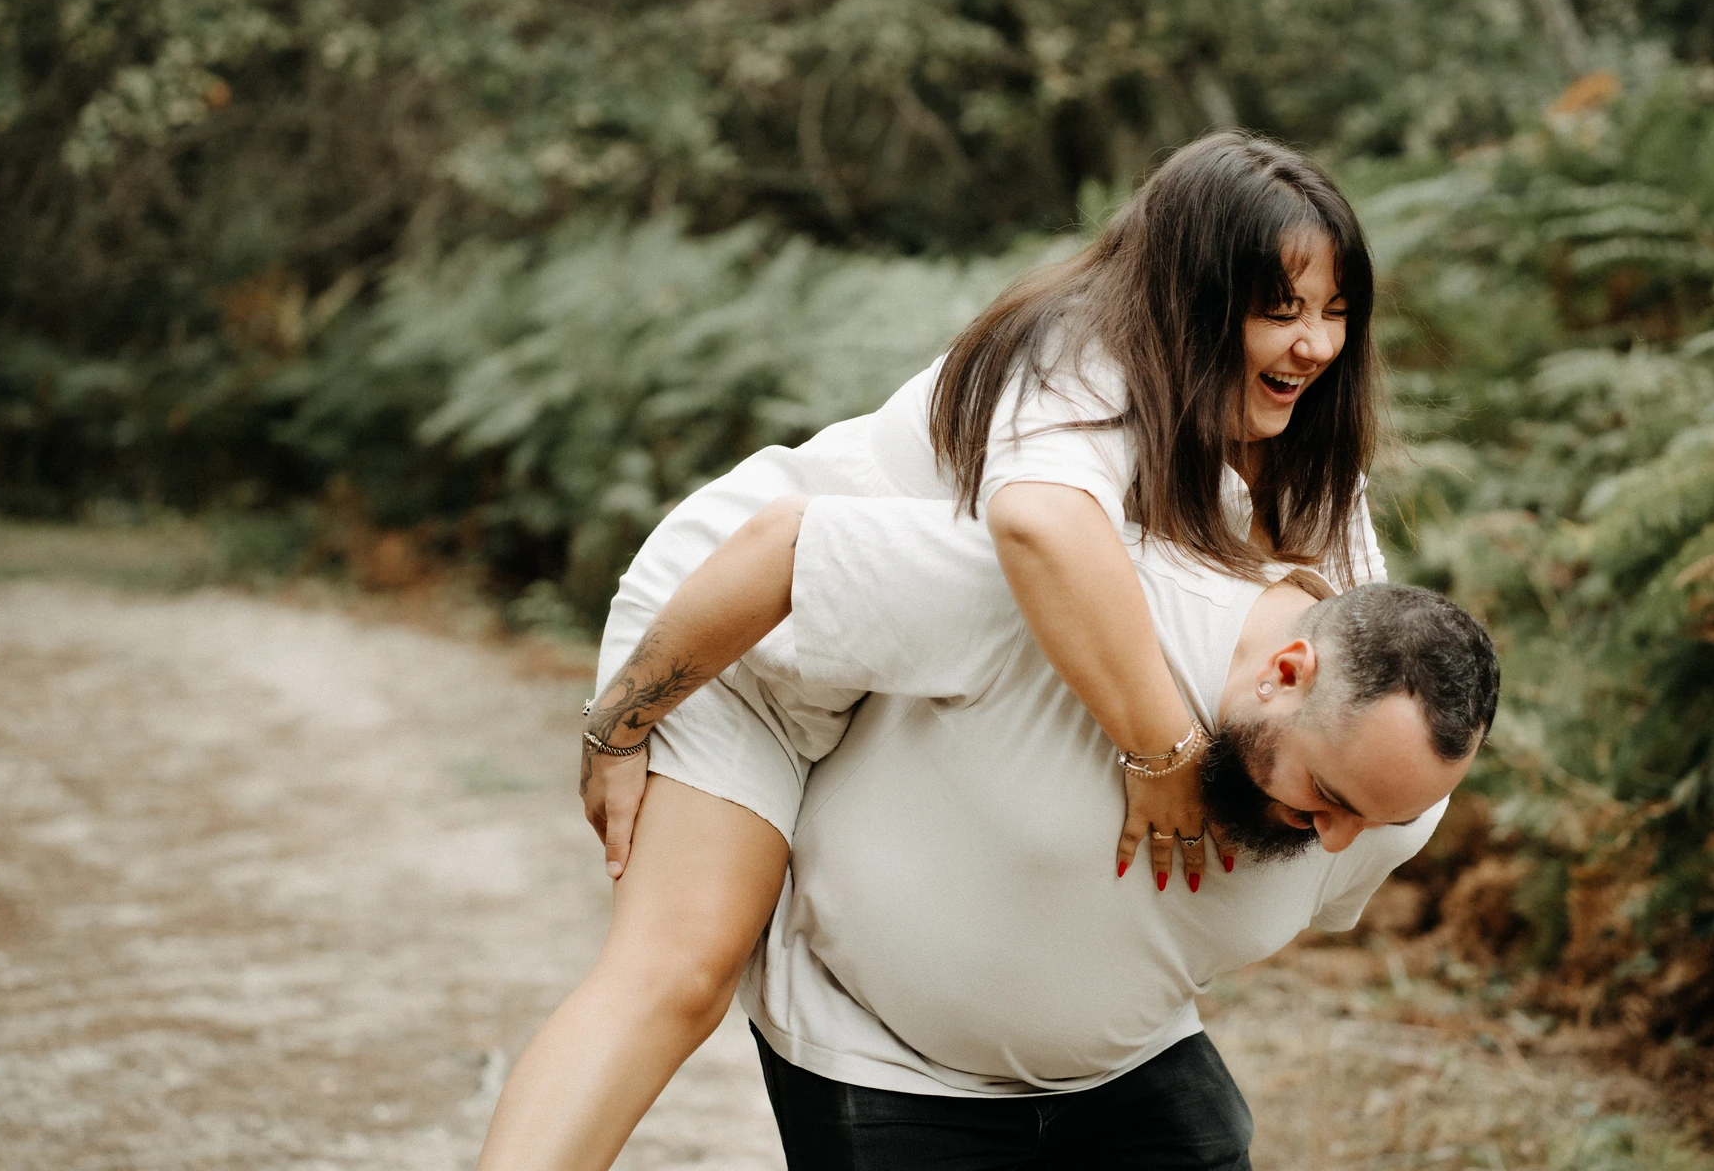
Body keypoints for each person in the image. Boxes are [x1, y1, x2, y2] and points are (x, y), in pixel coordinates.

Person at [476, 131, 1381, 1170]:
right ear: (1189, 296)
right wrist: (621, 722)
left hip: (898, 681)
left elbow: (1361, 639)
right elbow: (1042, 529)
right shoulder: (1080, 359)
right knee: (676, 972)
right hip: (745, 627)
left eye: (1334, 312)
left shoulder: (1299, 443)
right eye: (1280, 309)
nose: (1315, 346)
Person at [554, 493, 1500, 1165]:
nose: (1340, 842)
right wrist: (617, 723)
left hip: (1126, 1074)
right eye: (1328, 798)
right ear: (1284, 675)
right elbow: (790, 551)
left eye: (1382, 821)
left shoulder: (1382, 803)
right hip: (886, 1062)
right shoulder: (1075, 596)